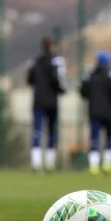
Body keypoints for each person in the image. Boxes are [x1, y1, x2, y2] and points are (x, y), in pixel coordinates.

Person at [26, 36, 67, 172]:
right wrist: (62, 90)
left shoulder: (35, 62)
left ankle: (36, 162)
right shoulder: (55, 62)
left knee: (37, 130)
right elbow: (57, 80)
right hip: (51, 102)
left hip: (38, 100)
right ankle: (50, 163)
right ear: (52, 46)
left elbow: (30, 80)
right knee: (51, 131)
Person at [80, 51, 111, 175]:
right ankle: (107, 164)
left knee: (94, 138)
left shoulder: (90, 75)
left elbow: (83, 92)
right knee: (109, 137)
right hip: (109, 112)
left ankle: (93, 166)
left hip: (94, 111)